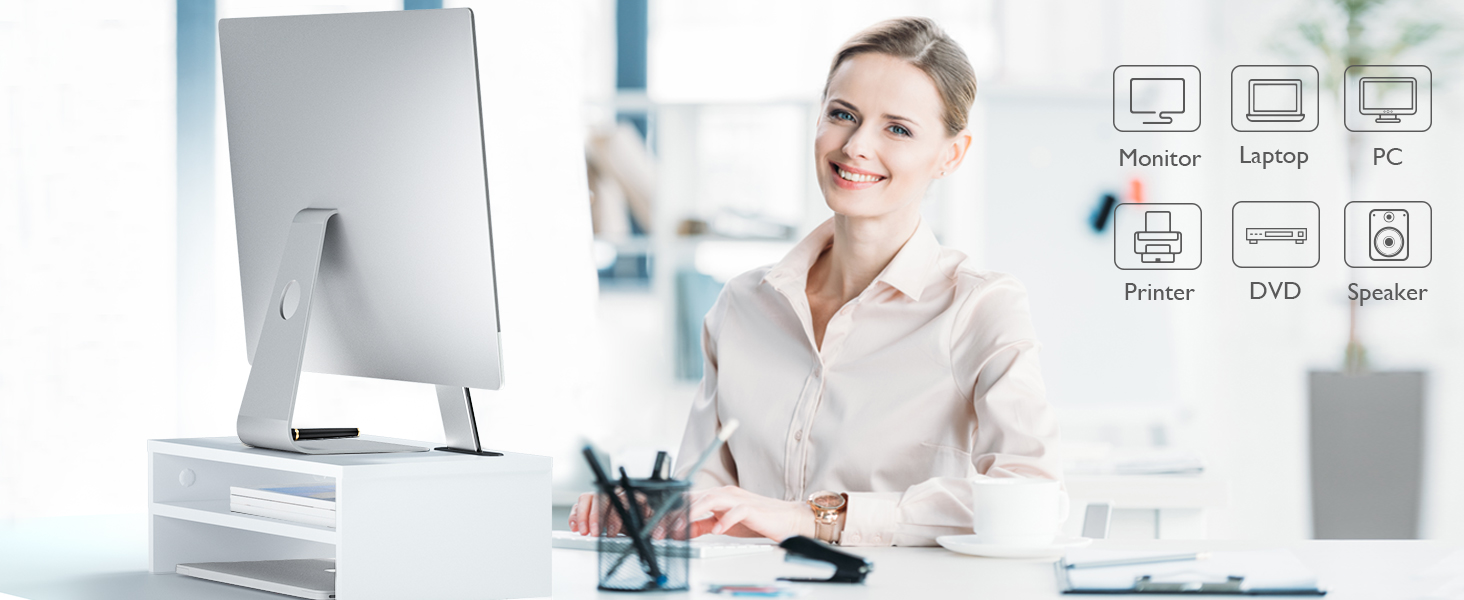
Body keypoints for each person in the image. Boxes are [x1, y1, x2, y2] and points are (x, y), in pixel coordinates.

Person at [569, 17, 1061, 547]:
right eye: (842, 114)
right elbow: (710, 491)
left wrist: (816, 517)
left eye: (897, 128)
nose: (855, 146)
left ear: (951, 154)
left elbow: (1032, 495)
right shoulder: (743, 304)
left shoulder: (979, 306)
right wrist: (652, 508)